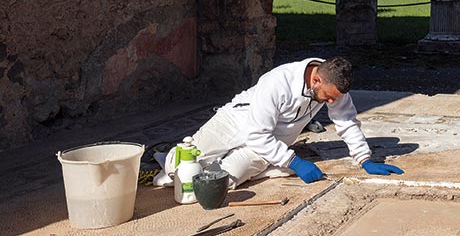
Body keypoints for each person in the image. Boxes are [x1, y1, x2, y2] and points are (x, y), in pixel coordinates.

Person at [156, 56, 402, 188]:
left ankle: (222, 168)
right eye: (328, 97)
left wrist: (364, 158)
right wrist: (293, 162)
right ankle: (162, 160)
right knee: (177, 163)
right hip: (235, 123)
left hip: (268, 145)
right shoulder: (278, 81)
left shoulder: (332, 86)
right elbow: (256, 133)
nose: (330, 102)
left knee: (222, 183)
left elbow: (346, 121)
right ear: (315, 80)